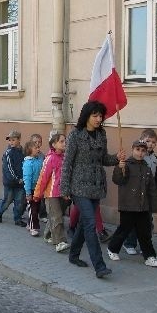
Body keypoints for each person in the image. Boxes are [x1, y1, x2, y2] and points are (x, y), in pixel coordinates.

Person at [61, 100, 125, 279]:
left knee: (84, 223)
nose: (98, 119)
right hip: (79, 186)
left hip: (96, 185)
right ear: (87, 116)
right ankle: (99, 265)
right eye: (95, 115)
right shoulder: (75, 135)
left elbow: (103, 159)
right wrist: (64, 188)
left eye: (100, 116)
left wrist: (115, 158)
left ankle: (73, 255)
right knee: (90, 223)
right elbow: (67, 163)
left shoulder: (101, 134)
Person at [106, 139, 157, 268]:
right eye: (137, 150)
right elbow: (118, 180)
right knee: (124, 230)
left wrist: (152, 206)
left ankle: (149, 256)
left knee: (144, 232)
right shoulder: (126, 164)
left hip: (143, 206)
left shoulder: (147, 168)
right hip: (128, 205)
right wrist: (120, 168)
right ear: (132, 149)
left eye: (143, 150)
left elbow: (151, 189)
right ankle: (112, 248)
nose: (140, 153)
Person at [123, 128, 157, 255]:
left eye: (153, 142)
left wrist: (155, 193)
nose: (150, 144)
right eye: (148, 141)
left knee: (147, 221)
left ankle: (145, 245)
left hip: (148, 195)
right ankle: (129, 243)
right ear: (141, 141)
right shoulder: (137, 158)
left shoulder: (155, 159)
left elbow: (156, 178)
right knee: (133, 221)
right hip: (136, 194)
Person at [34, 131, 70, 252]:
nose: (64, 143)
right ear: (53, 144)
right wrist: (37, 194)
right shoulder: (50, 159)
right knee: (57, 217)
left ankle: (48, 235)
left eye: (65, 141)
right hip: (52, 194)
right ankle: (60, 242)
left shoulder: (65, 157)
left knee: (55, 216)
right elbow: (43, 177)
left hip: (64, 193)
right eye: (61, 141)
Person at [0, 130, 26, 226]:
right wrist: (16, 179)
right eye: (9, 140)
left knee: (19, 202)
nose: (11, 142)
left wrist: (23, 178)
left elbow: (25, 165)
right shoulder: (8, 153)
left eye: (13, 140)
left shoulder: (23, 152)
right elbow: (9, 169)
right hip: (10, 182)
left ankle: (17, 219)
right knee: (7, 201)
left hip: (20, 183)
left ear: (19, 140)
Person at [23, 140, 43, 236]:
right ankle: (34, 227)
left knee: (36, 209)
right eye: (36, 148)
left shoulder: (39, 160)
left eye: (38, 147)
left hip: (37, 189)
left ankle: (29, 223)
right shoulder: (28, 163)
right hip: (30, 189)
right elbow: (27, 178)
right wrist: (28, 193)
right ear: (30, 150)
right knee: (33, 209)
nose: (38, 149)